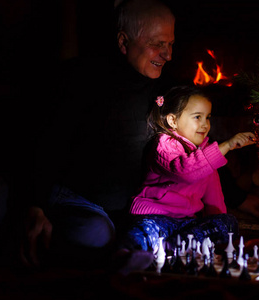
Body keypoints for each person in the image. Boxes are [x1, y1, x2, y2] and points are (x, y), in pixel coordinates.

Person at [19, 0, 176, 269]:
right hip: (79, 200)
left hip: (131, 207)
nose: (167, 54)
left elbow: (193, 144)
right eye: (157, 43)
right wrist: (36, 204)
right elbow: (47, 144)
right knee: (95, 234)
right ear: (123, 42)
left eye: (170, 44)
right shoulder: (82, 80)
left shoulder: (164, 88)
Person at [119, 85, 256, 253]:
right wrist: (227, 145)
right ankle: (129, 254)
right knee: (142, 231)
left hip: (185, 225)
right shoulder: (164, 145)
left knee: (227, 222)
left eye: (208, 117)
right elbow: (186, 171)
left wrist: (219, 226)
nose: (205, 124)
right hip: (155, 217)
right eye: (197, 117)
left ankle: (174, 247)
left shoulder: (206, 157)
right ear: (173, 121)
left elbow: (214, 201)